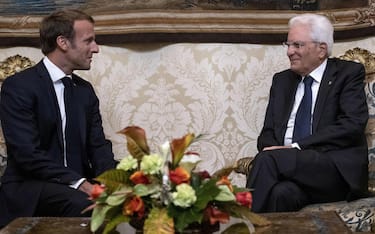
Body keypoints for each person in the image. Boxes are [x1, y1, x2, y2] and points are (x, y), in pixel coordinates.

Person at [0, 9, 117, 227]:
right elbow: (27, 155)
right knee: (88, 206)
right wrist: (82, 184)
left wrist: (113, 183)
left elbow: (98, 146)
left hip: (78, 185)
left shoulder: (84, 91)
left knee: (142, 195)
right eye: (89, 40)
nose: (96, 48)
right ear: (63, 42)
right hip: (32, 187)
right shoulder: (19, 87)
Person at [246, 13, 369, 213]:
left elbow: (351, 126)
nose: (289, 52)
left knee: (268, 159)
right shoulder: (282, 81)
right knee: (281, 194)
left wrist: (294, 148)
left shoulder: (347, 74)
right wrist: (276, 151)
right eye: (288, 45)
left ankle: (242, 226)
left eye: (297, 45)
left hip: (332, 170)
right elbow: (268, 133)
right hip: (290, 172)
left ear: (321, 49)